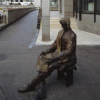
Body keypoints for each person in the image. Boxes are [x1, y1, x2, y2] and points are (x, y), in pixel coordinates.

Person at [18, 17, 77, 100]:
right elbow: (54, 44)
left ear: (67, 24)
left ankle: (31, 85)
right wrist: (46, 51)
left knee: (49, 66)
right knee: (42, 60)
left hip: (68, 59)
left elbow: (68, 51)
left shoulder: (72, 35)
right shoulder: (60, 32)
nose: (62, 26)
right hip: (59, 55)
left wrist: (54, 58)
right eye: (61, 24)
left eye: (63, 24)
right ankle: (40, 91)